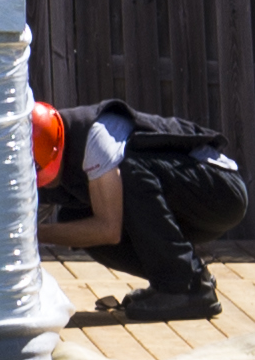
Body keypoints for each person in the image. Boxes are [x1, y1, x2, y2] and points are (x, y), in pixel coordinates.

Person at [31, 96, 242, 321]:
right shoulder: (45, 152)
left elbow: (108, 229)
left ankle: (184, 286)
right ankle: (186, 279)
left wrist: (36, 234)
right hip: (185, 202)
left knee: (127, 173)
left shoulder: (97, 141)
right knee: (75, 219)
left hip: (219, 189)